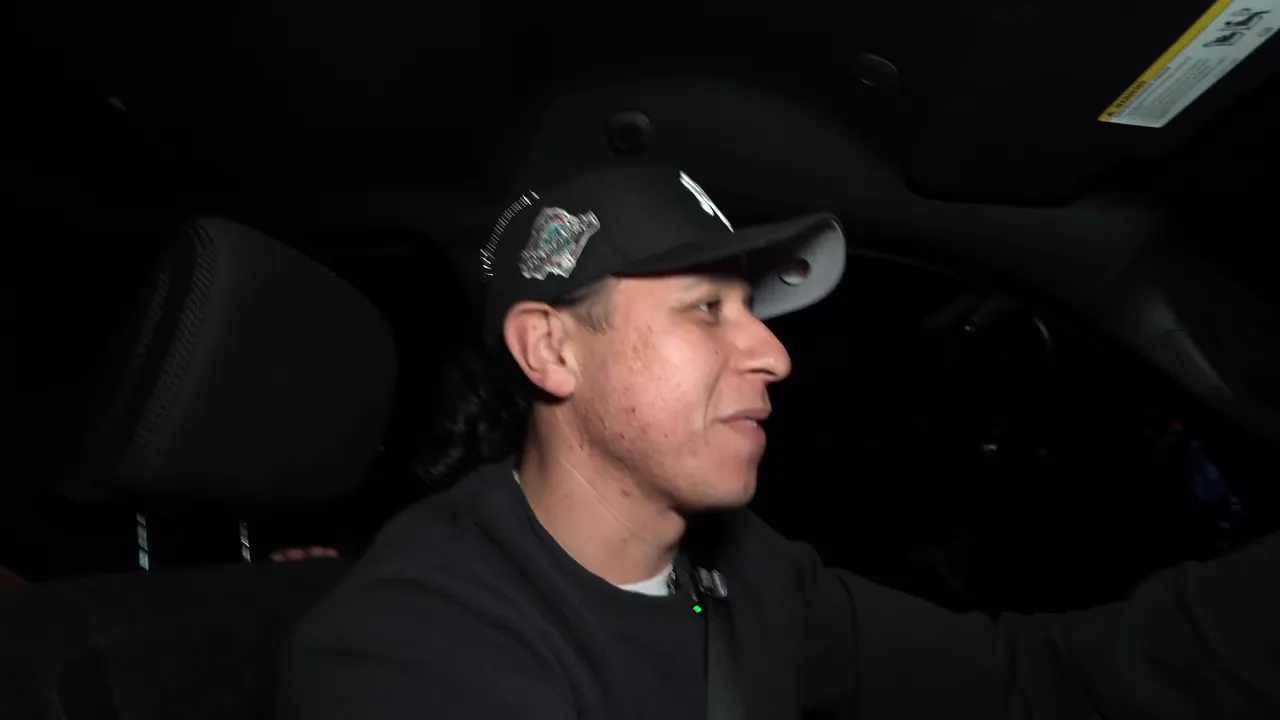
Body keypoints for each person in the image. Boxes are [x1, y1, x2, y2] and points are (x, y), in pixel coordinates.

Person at [276, 160, 1280, 719]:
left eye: (751, 309)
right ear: (552, 350)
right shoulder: (414, 651)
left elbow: (1024, 677)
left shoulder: (743, 573)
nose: (773, 354)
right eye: (705, 308)